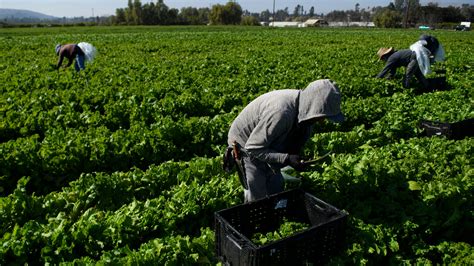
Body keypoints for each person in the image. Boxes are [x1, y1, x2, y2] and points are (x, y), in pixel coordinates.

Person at [226, 79, 345, 203]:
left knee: (275, 187)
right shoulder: (281, 113)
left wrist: (296, 158)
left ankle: (273, 214)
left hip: (265, 140)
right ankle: (256, 217)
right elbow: (254, 148)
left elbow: (295, 140)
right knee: (257, 192)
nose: (322, 121)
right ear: (313, 106)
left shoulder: (306, 110)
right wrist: (287, 158)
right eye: (322, 117)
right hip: (245, 144)